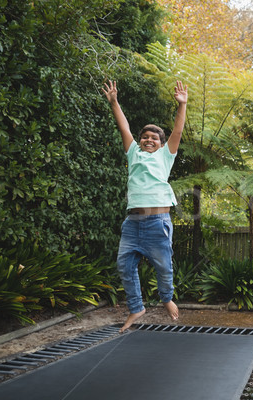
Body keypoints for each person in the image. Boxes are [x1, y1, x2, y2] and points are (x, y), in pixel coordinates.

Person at [102, 79, 188, 333]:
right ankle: (136, 307)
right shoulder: (133, 153)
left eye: (154, 138)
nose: (149, 140)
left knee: (163, 266)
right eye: (145, 137)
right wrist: (114, 102)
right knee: (124, 265)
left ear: (162, 144)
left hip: (157, 222)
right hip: (132, 224)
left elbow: (177, 132)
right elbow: (124, 126)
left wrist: (182, 105)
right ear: (139, 141)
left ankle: (166, 298)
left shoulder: (165, 155)